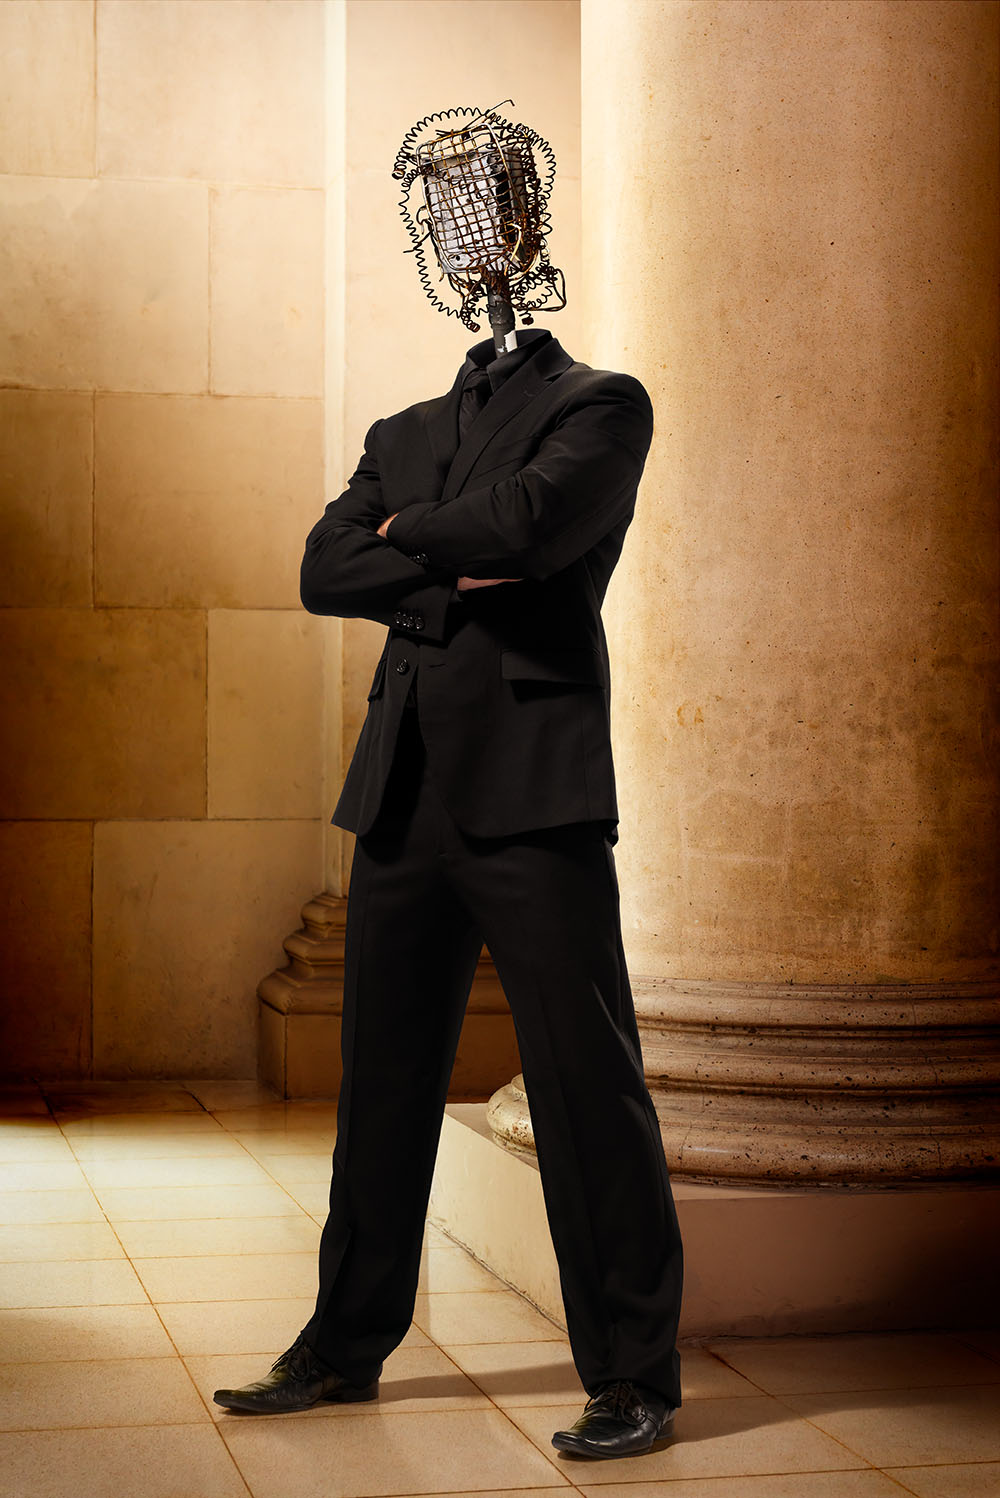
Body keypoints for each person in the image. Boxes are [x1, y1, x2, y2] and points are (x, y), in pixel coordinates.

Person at [213, 324, 684, 1459]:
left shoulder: (603, 405)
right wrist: (453, 566)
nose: (462, 225)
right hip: (401, 788)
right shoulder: (403, 430)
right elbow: (324, 569)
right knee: (378, 1079)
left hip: (536, 785)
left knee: (585, 1086)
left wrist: (404, 538)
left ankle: (633, 1377)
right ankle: (341, 1345)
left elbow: (530, 527)